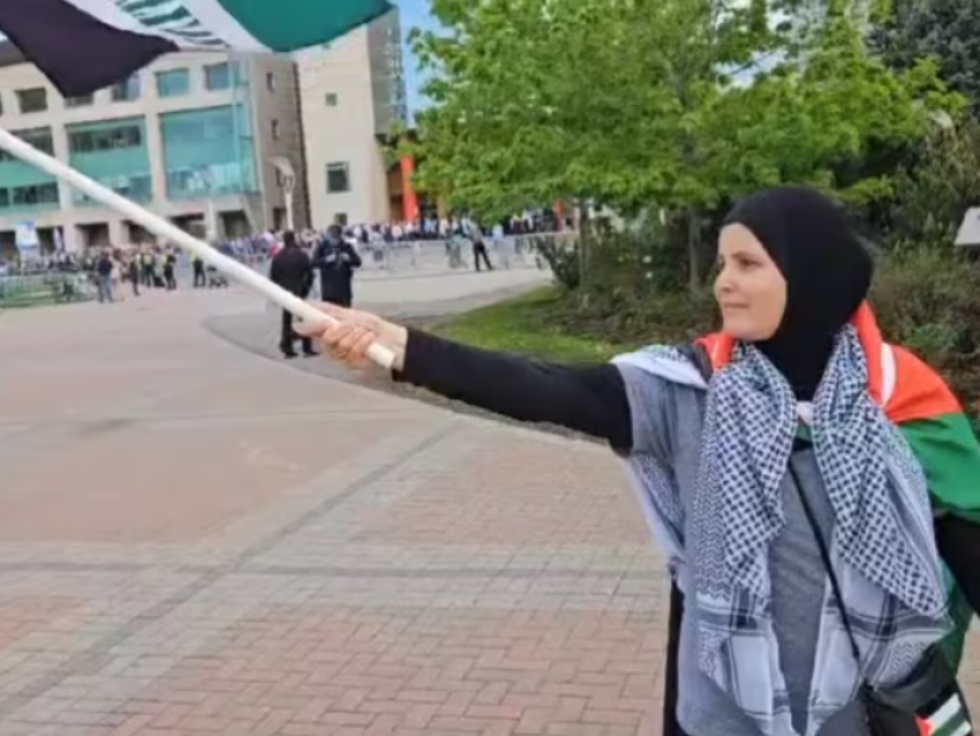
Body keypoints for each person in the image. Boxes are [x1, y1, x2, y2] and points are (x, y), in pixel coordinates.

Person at [300, 187, 980, 736]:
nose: (724, 284)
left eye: (748, 264)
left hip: (859, 716)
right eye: (722, 263)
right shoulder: (687, 390)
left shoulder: (903, 402)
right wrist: (401, 346)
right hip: (720, 718)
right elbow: (550, 387)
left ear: (811, 279)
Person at [269, 231, 316, 359]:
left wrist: (278, 290)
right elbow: (310, 274)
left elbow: (273, 277)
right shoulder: (301, 255)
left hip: (285, 292)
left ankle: (287, 348)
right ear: (294, 239)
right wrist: (305, 288)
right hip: (299, 289)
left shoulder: (278, 257)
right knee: (304, 319)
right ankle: (307, 348)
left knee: (286, 321)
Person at [312, 224, 362, 307]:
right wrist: (326, 259)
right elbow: (313, 262)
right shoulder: (322, 247)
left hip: (343, 287)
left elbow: (358, 262)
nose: (334, 241)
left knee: (346, 313)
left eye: (336, 238)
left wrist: (348, 259)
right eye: (332, 238)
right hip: (329, 289)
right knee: (331, 314)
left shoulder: (346, 246)